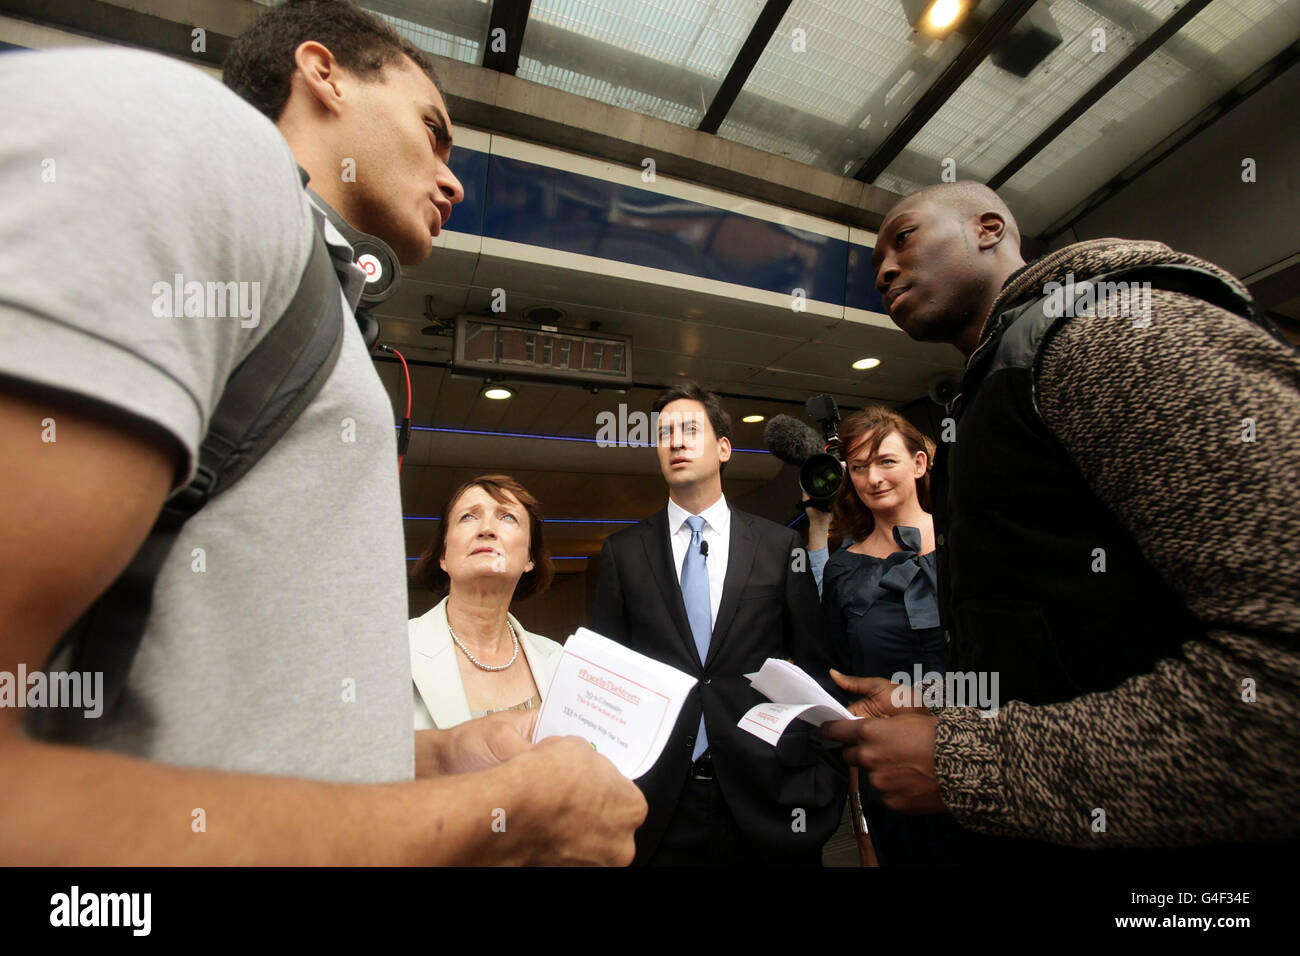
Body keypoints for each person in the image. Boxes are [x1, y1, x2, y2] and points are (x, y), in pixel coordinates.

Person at [0, 0, 644, 865]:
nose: (453, 180)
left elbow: (229, 745)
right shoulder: (194, 144)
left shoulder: (316, 297)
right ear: (323, 73)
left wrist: (434, 762)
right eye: (434, 130)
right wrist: (506, 815)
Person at [822, 180, 1300, 862]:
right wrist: (945, 705)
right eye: (874, 267)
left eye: (902, 238)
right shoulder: (994, 392)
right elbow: (1072, 643)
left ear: (989, 229)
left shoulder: (1109, 335)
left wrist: (968, 761)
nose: (885, 270)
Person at [590, 382, 848, 865]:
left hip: (769, 794)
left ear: (724, 448)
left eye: (690, 429)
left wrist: (822, 780)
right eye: (663, 433)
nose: (675, 441)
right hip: (660, 802)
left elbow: (815, 668)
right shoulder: (623, 554)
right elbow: (608, 684)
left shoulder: (777, 548)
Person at [811, 406, 961, 866]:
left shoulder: (966, 542)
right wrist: (861, 822)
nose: (873, 478)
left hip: (974, 758)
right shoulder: (842, 569)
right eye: (859, 467)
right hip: (889, 776)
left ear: (918, 464)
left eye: (886, 461)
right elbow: (848, 695)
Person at [408, 476, 563, 728]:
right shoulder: (393, 649)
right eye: (468, 517)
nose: (486, 529)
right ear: (443, 555)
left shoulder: (558, 660)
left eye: (507, 517)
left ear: (529, 559)